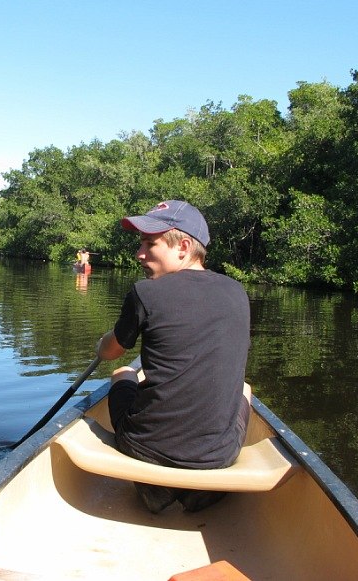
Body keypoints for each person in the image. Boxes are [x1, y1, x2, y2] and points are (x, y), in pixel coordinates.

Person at [96, 200, 251, 514]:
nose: (139, 254)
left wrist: (102, 344)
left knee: (123, 372)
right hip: (217, 456)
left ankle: (155, 487)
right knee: (245, 389)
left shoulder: (145, 292)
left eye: (149, 244)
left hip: (144, 447)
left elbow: (110, 352)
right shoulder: (238, 292)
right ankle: (199, 488)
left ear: (183, 247)